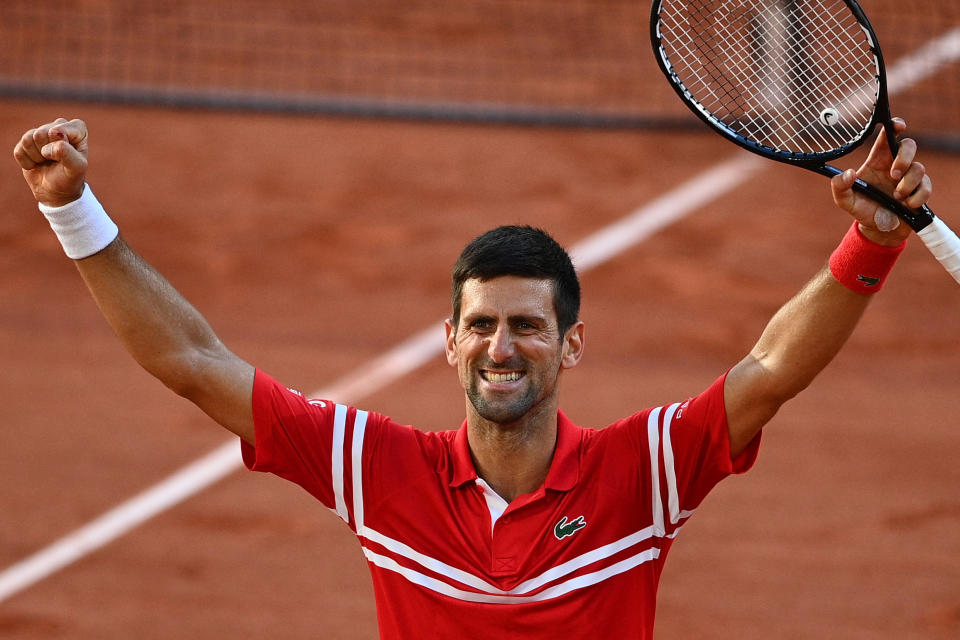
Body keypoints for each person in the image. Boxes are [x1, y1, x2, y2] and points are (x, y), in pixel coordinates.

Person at [13, 116, 932, 638]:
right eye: (482, 325)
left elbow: (770, 370)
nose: (502, 348)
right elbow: (193, 363)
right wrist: (74, 211)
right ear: (448, 341)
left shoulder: (643, 473)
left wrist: (872, 243)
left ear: (571, 346)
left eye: (528, 327)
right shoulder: (377, 471)